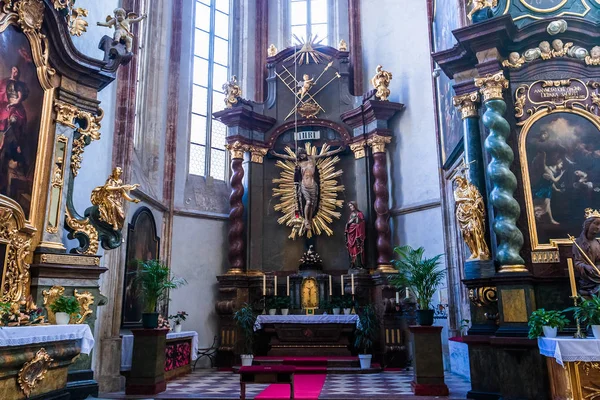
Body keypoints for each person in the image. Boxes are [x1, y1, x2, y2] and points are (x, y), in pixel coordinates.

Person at [271, 146, 343, 231]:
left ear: (305, 153)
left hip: (313, 185)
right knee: (308, 202)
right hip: (304, 185)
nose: (302, 156)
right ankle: (306, 221)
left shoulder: (312, 158)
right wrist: (276, 154)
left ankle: (309, 219)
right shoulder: (299, 162)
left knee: (312, 204)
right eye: (300, 155)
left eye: (303, 154)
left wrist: (338, 150)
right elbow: (287, 157)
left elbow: (326, 154)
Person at [0, 66, 29, 197]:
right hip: (5, 108)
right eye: (13, 70)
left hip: (13, 109)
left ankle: (16, 149)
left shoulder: (19, 86)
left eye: (17, 70)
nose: (15, 72)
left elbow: (19, 98)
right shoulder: (5, 82)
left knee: (13, 125)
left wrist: (12, 105)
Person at [573, 209, 600, 296]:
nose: (598, 227)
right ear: (588, 225)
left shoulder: (598, 243)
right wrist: (586, 267)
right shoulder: (579, 243)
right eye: (595, 224)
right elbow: (577, 262)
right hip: (588, 278)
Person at [345, 201, 366, 269]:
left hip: (357, 234)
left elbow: (362, 223)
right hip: (351, 234)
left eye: (351, 206)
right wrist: (348, 225)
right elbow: (348, 224)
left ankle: (359, 265)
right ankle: (353, 264)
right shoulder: (351, 215)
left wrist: (357, 224)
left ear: (355, 205)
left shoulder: (359, 214)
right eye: (350, 206)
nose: (351, 207)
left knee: (357, 248)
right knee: (351, 249)